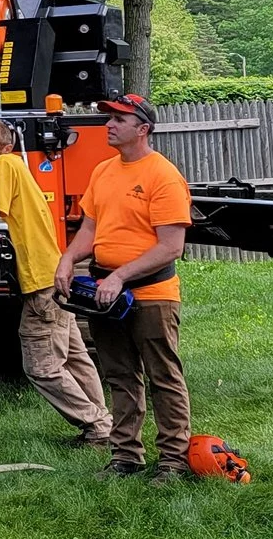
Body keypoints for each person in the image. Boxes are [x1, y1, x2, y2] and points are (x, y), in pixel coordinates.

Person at [56, 92, 193, 479]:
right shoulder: (103, 171)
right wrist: (68, 259)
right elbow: (90, 229)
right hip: (105, 294)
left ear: (143, 129)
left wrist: (120, 276)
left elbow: (171, 246)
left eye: (119, 119)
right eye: (109, 117)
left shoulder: (162, 175)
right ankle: (126, 456)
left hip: (150, 294)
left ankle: (173, 460)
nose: (109, 125)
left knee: (163, 377)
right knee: (119, 375)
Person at [0, 119, 110, 446]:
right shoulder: (15, 168)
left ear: (5, 147)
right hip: (53, 276)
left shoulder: (6, 165)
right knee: (75, 359)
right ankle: (106, 426)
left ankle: (97, 425)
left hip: (41, 285)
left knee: (42, 368)